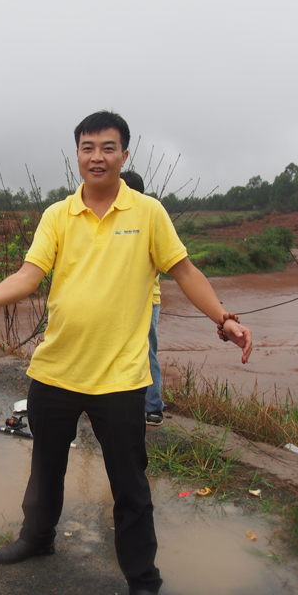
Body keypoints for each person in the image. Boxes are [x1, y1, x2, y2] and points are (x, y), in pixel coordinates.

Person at [0, 111, 252, 595]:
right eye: (88, 147)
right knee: (45, 469)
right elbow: (29, 274)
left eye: (108, 148)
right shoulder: (57, 215)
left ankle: (142, 577)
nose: (97, 156)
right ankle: (37, 537)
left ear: (124, 154)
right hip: (56, 371)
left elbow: (185, 271)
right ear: (78, 155)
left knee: (129, 484)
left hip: (121, 379)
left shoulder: (148, 213)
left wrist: (224, 319)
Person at [120, 171, 163, 426]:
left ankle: (153, 406)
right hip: (120, 299)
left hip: (146, 298)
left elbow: (157, 265)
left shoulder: (149, 216)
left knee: (147, 350)